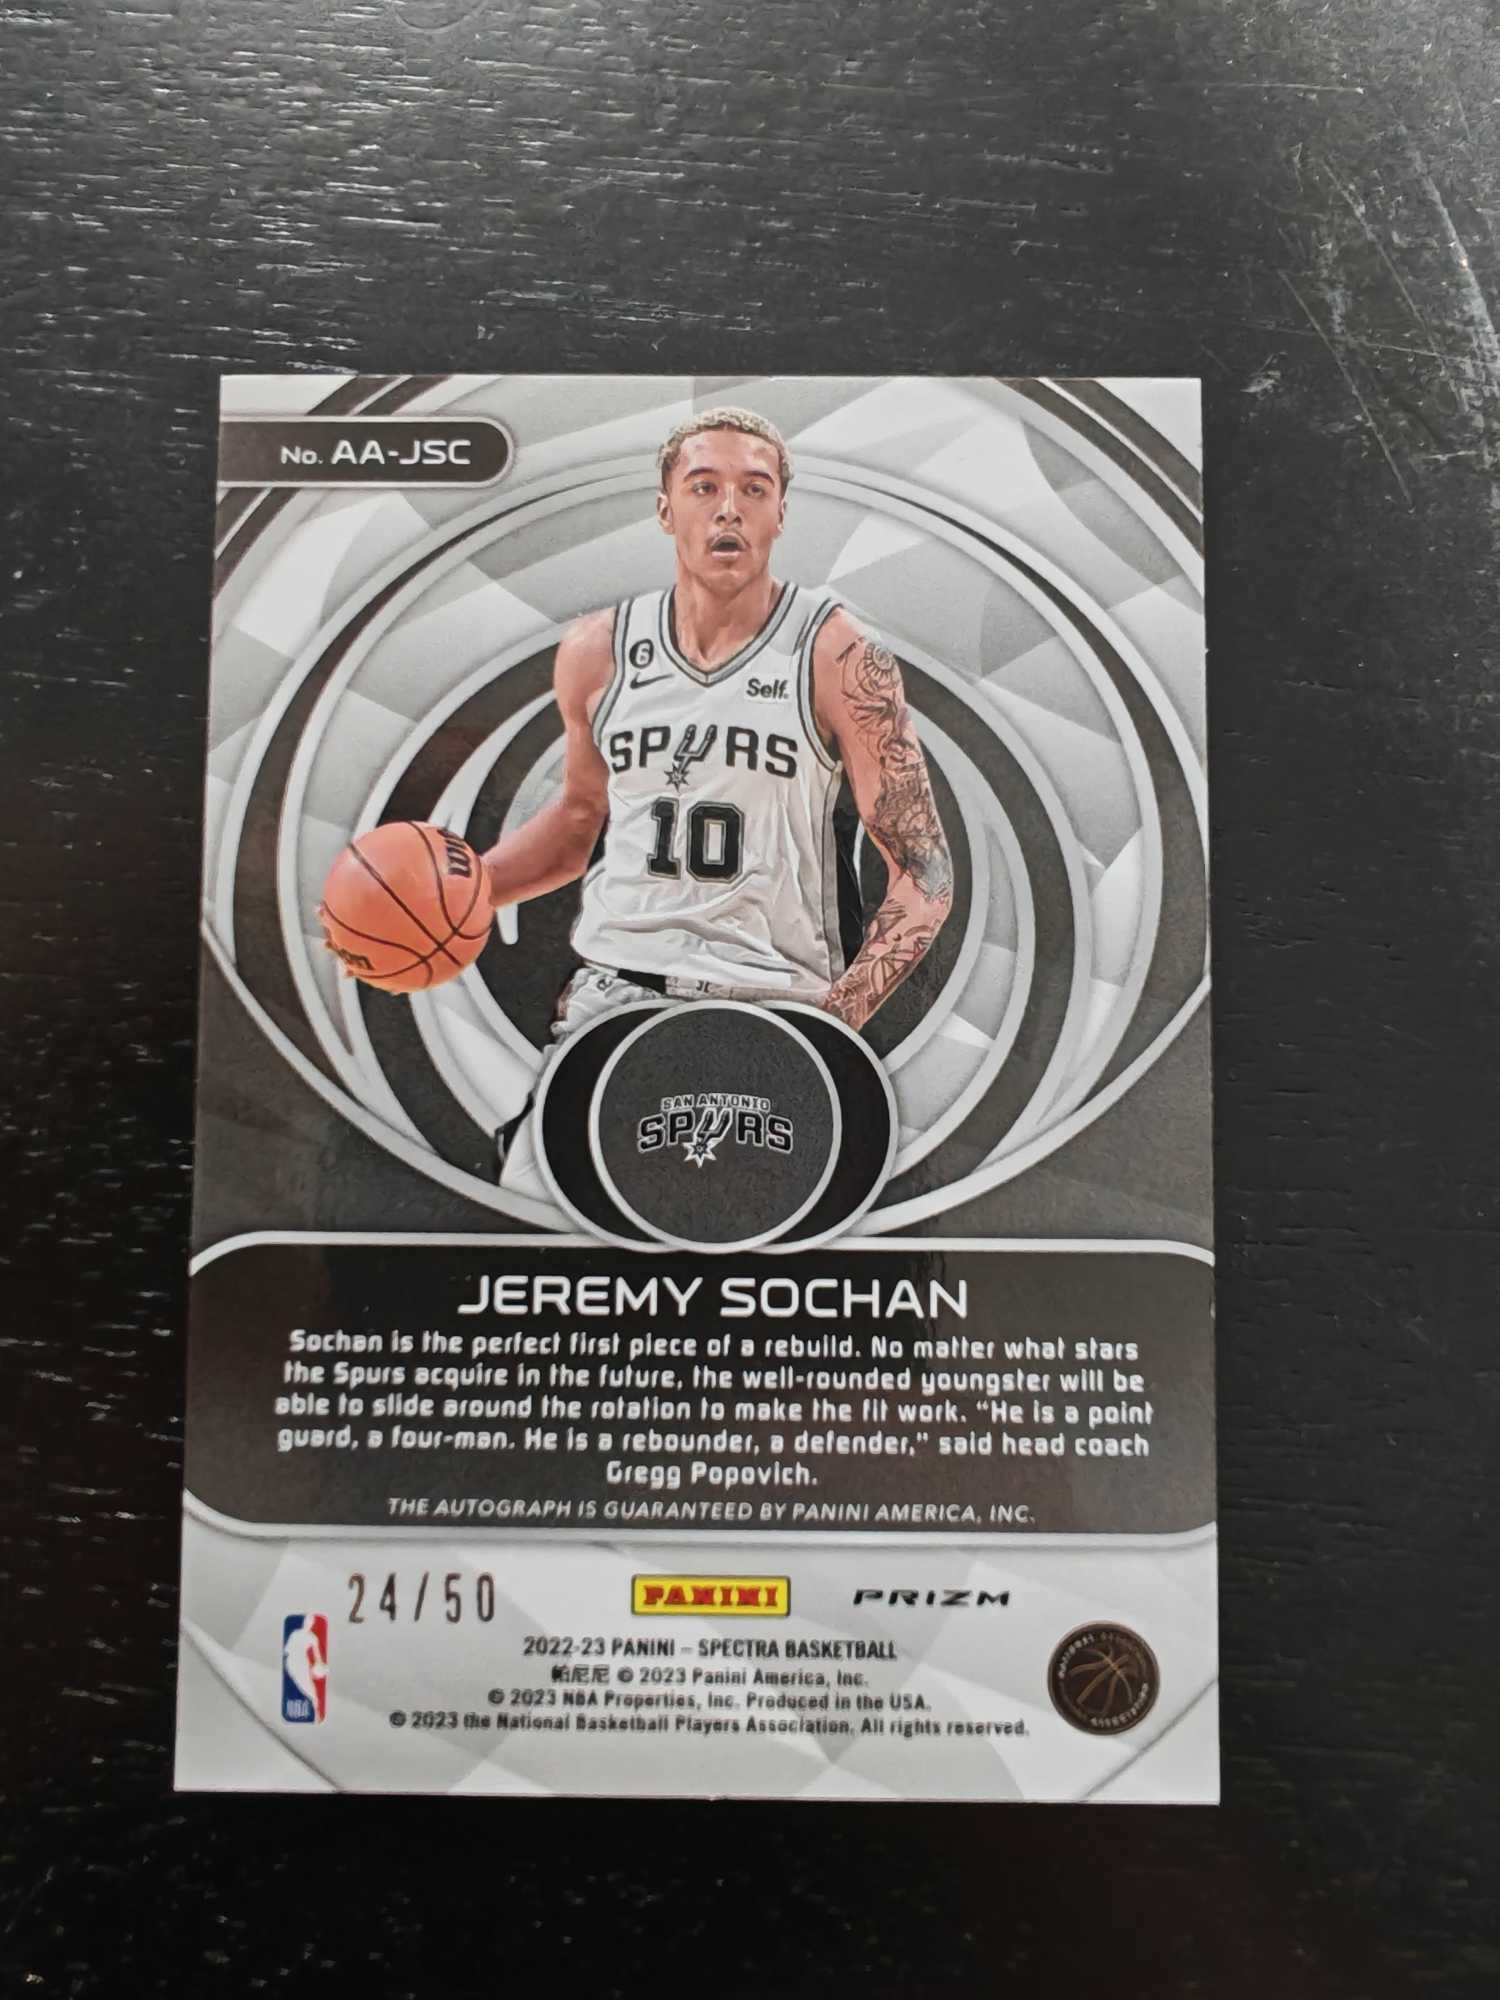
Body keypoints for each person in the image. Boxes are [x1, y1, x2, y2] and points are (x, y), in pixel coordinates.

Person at [484, 406, 951, 1174]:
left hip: (772, 1006)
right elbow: (577, 819)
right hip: (617, 994)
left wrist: (833, 1028)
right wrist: (466, 892)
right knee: (538, 1204)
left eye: (754, 489)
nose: (729, 508)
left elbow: (925, 875)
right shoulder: (597, 651)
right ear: (665, 510)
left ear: (780, 514)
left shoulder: (836, 653)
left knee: (742, 1229)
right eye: (703, 486)